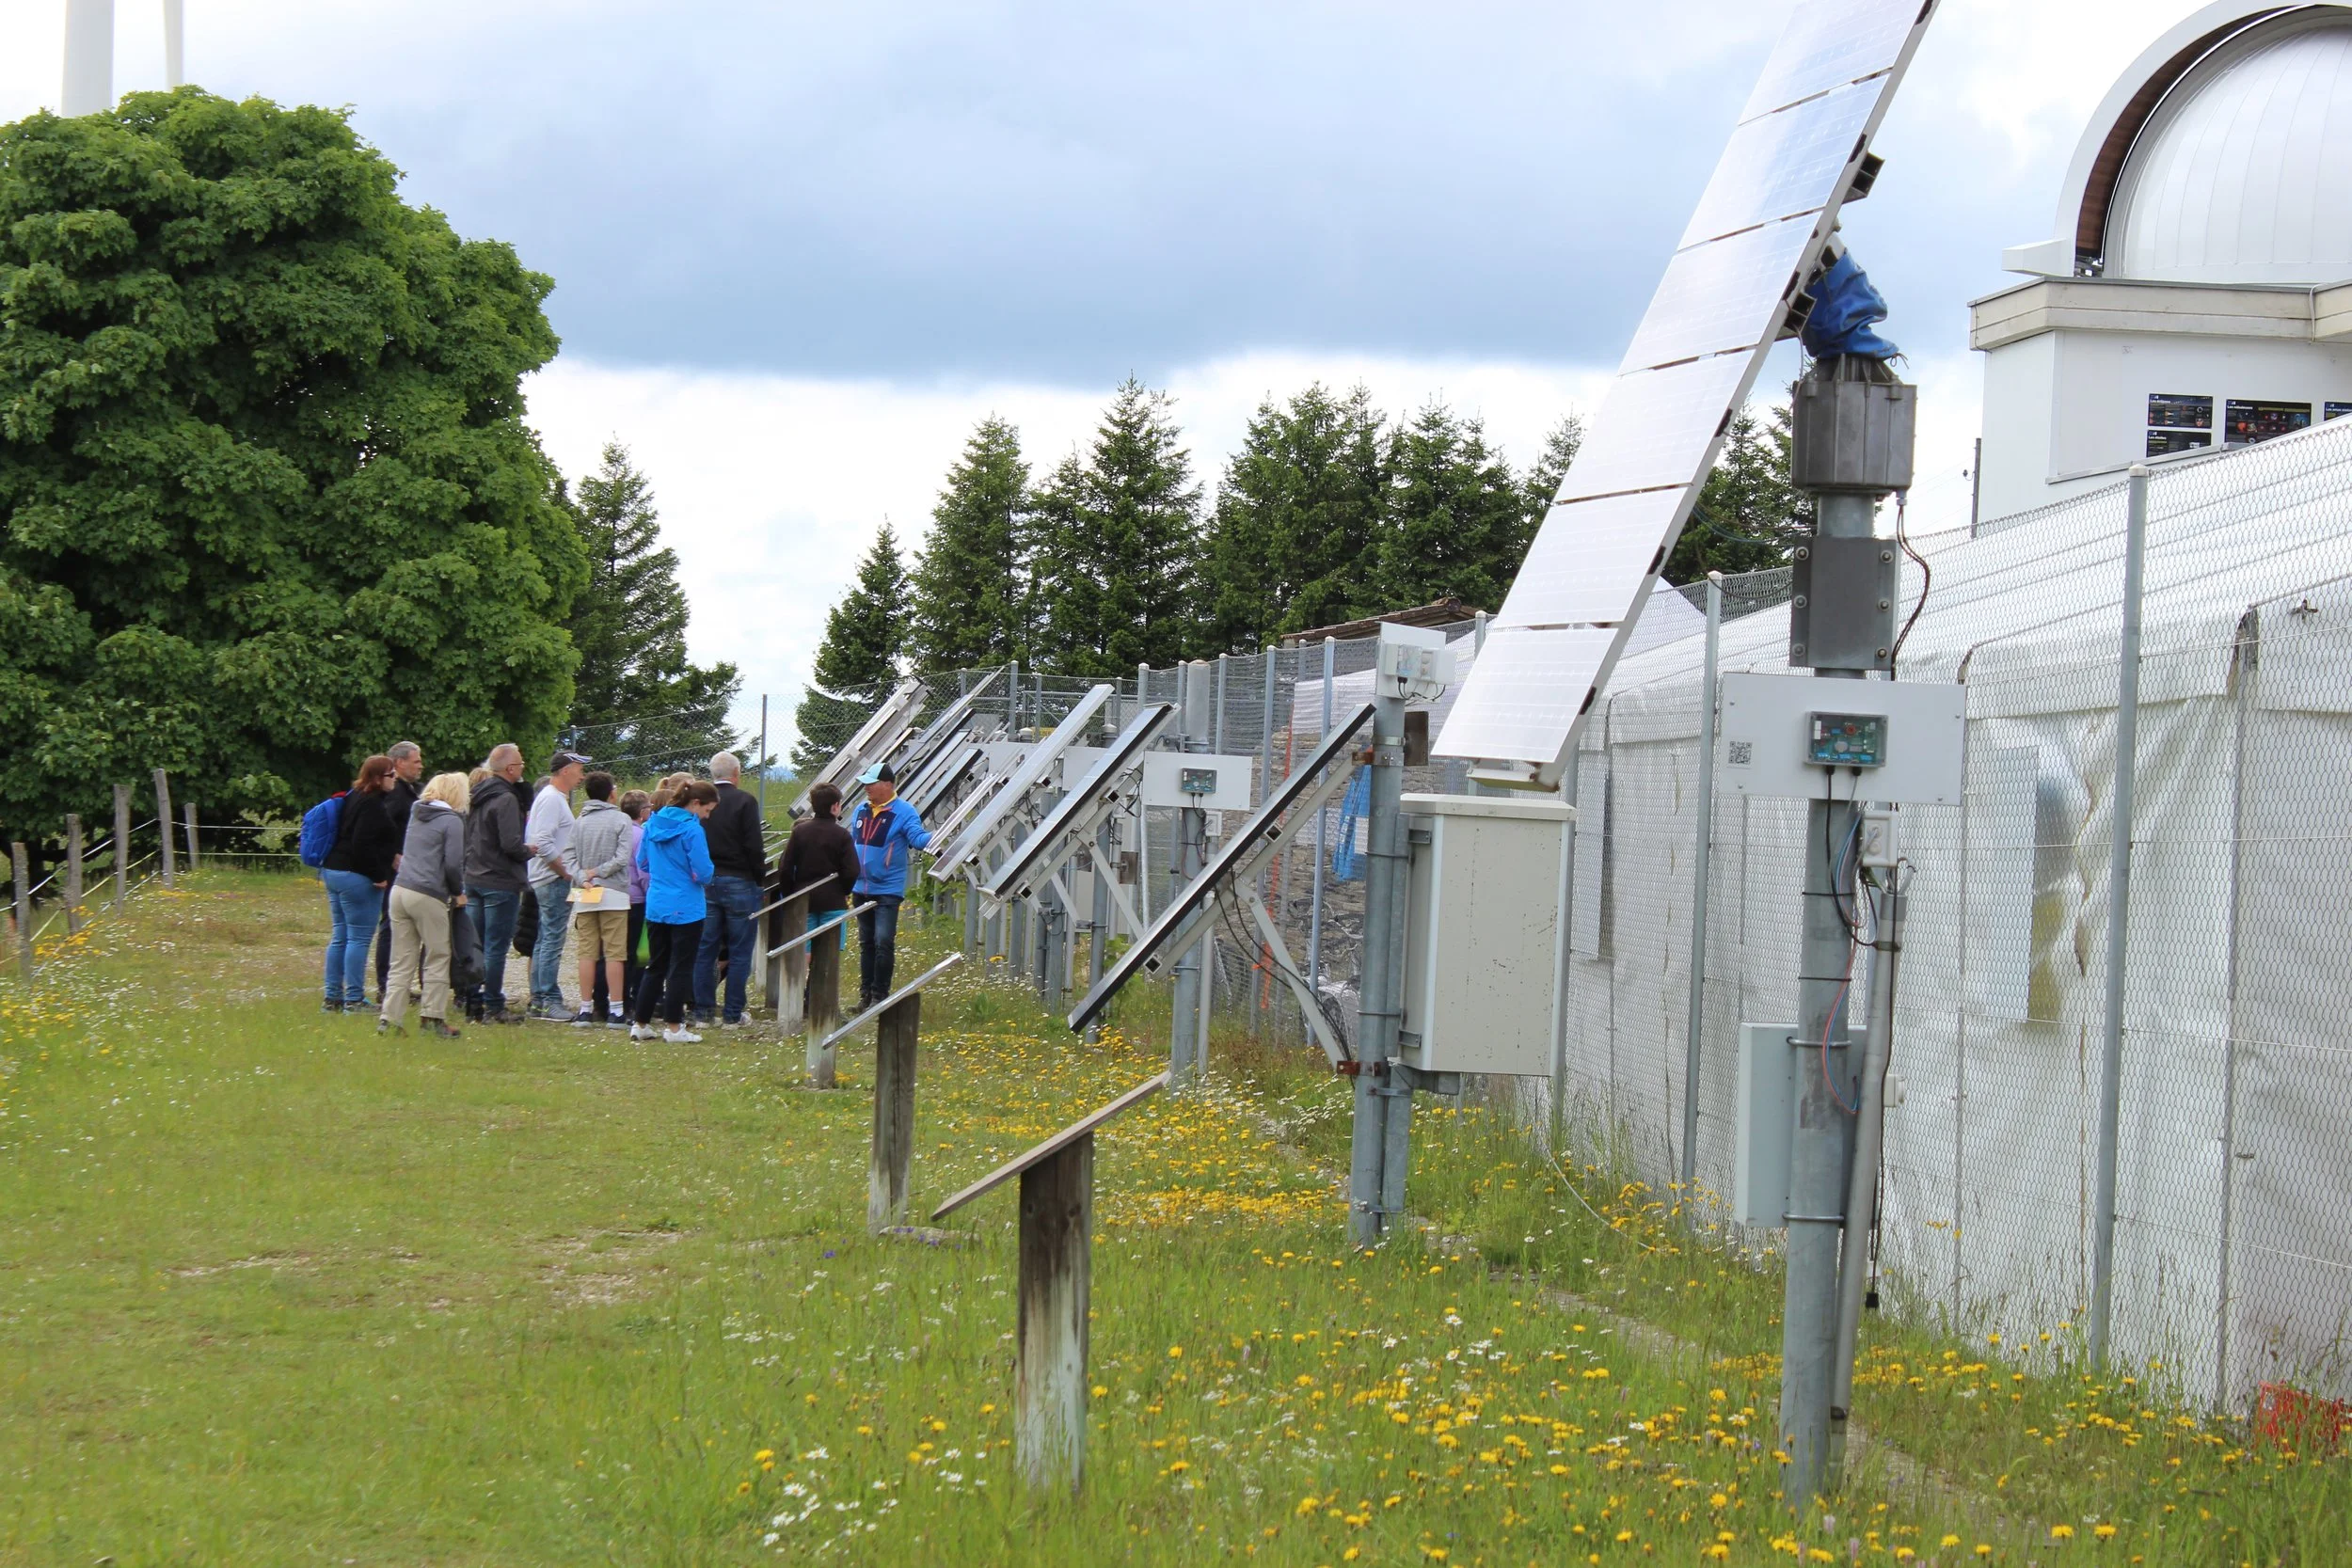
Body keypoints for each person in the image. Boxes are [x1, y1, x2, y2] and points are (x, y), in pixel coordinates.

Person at [379, 771, 470, 1038]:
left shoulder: (417, 814)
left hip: (401, 890)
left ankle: (389, 1019)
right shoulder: (451, 821)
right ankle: (432, 1016)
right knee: (438, 955)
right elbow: (453, 863)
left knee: (402, 959)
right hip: (428, 893)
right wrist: (458, 891)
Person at [632, 780, 717, 1044]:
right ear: (695, 804)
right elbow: (703, 872)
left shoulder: (652, 823)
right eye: (707, 810)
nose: (707, 815)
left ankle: (641, 1023)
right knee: (680, 967)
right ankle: (674, 1026)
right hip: (687, 906)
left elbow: (641, 861)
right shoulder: (692, 830)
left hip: (657, 903)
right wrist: (698, 875)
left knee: (655, 965)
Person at [846, 763, 932, 1008]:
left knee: (883, 941)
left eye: (871, 783)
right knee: (866, 943)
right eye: (865, 783)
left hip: (887, 890)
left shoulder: (904, 811)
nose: (866, 788)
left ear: (888, 785)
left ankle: (879, 996)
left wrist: (938, 837)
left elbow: (917, 838)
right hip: (860, 888)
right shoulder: (861, 810)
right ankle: (865, 996)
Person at [692, 752, 769, 1027]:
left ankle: (702, 1011)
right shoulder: (745, 801)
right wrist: (758, 878)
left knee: (706, 948)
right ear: (736, 773)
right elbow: (753, 844)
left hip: (707, 880)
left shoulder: (700, 803)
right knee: (740, 949)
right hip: (739, 880)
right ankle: (733, 1013)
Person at [320, 754, 400, 1011]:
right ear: (377, 778)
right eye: (391, 775)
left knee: (340, 936)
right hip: (356, 876)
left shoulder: (354, 795)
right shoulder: (372, 804)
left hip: (333, 870)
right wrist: (379, 876)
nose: (395, 779)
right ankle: (354, 999)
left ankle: (332, 997)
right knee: (359, 938)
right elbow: (362, 845)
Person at [463, 743, 532, 1023]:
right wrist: (530, 851)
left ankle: (472, 1002)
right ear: (510, 769)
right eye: (521, 764)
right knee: (495, 947)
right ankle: (493, 1004)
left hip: (474, 875)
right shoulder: (505, 799)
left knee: (475, 945)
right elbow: (510, 843)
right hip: (499, 880)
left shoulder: (476, 795)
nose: (524, 768)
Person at [523, 750, 590, 1019]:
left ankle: (539, 997)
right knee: (552, 939)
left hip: (547, 878)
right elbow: (543, 842)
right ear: (565, 770)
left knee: (544, 938)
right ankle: (548, 998)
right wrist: (563, 871)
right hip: (552, 879)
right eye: (578, 769)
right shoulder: (552, 800)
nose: (581, 775)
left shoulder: (551, 798)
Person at [568, 771, 635, 1028]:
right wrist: (598, 872)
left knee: (586, 952)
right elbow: (622, 857)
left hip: (584, 891)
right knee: (614, 953)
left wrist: (582, 876)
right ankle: (616, 1010)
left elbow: (569, 856)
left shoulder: (579, 821)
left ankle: (585, 1008)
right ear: (611, 793)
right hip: (614, 891)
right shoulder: (621, 820)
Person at [775, 780, 859, 975]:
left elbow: (785, 867)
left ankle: (803, 988)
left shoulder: (800, 831)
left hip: (804, 899)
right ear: (835, 806)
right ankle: (822, 992)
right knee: (830, 948)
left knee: (804, 947)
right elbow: (852, 870)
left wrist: (791, 893)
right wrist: (843, 890)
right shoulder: (842, 835)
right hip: (833, 900)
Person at [373, 739, 424, 1000]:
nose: (420, 766)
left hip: (407, 867)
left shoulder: (409, 790)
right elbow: (383, 825)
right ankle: (387, 986)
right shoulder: (396, 793)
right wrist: (393, 853)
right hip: (395, 869)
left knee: (401, 927)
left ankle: (397, 984)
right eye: (416, 761)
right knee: (391, 926)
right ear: (400, 762)